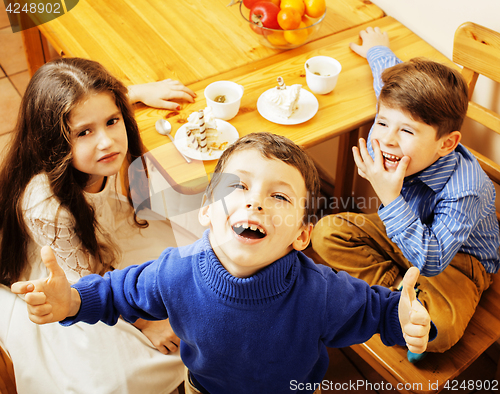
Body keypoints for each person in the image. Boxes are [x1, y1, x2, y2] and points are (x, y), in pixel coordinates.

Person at [13, 133, 434, 394]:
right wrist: (70, 301)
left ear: (302, 235)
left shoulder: (321, 292)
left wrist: (406, 319)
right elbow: (115, 292)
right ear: (206, 210)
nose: (255, 201)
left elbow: (376, 309)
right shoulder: (174, 272)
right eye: (239, 187)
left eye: (280, 196)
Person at [0, 57, 197, 393]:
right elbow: (87, 277)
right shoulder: (45, 204)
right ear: (54, 142)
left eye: (112, 121)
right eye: (84, 132)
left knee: (202, 268)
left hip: (112, 229)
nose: (106, 142)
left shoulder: (104, 144)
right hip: (70, 270)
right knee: (122, 373)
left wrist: (134, 93)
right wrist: (145, 321)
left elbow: (96, 105)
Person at [310, 27, 500, 361]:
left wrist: (390, 198)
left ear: (446, 144)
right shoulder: (391, 131)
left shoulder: (468, 189)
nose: (386, 140)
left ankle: (410, 299)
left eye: (407, 131)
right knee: (324, 233)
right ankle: (401, 296)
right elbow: (384, 84)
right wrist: (376, 50)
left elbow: (432, 260)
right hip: (403, 234)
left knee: (438, 332)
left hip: (455, 263)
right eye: (382, 123)